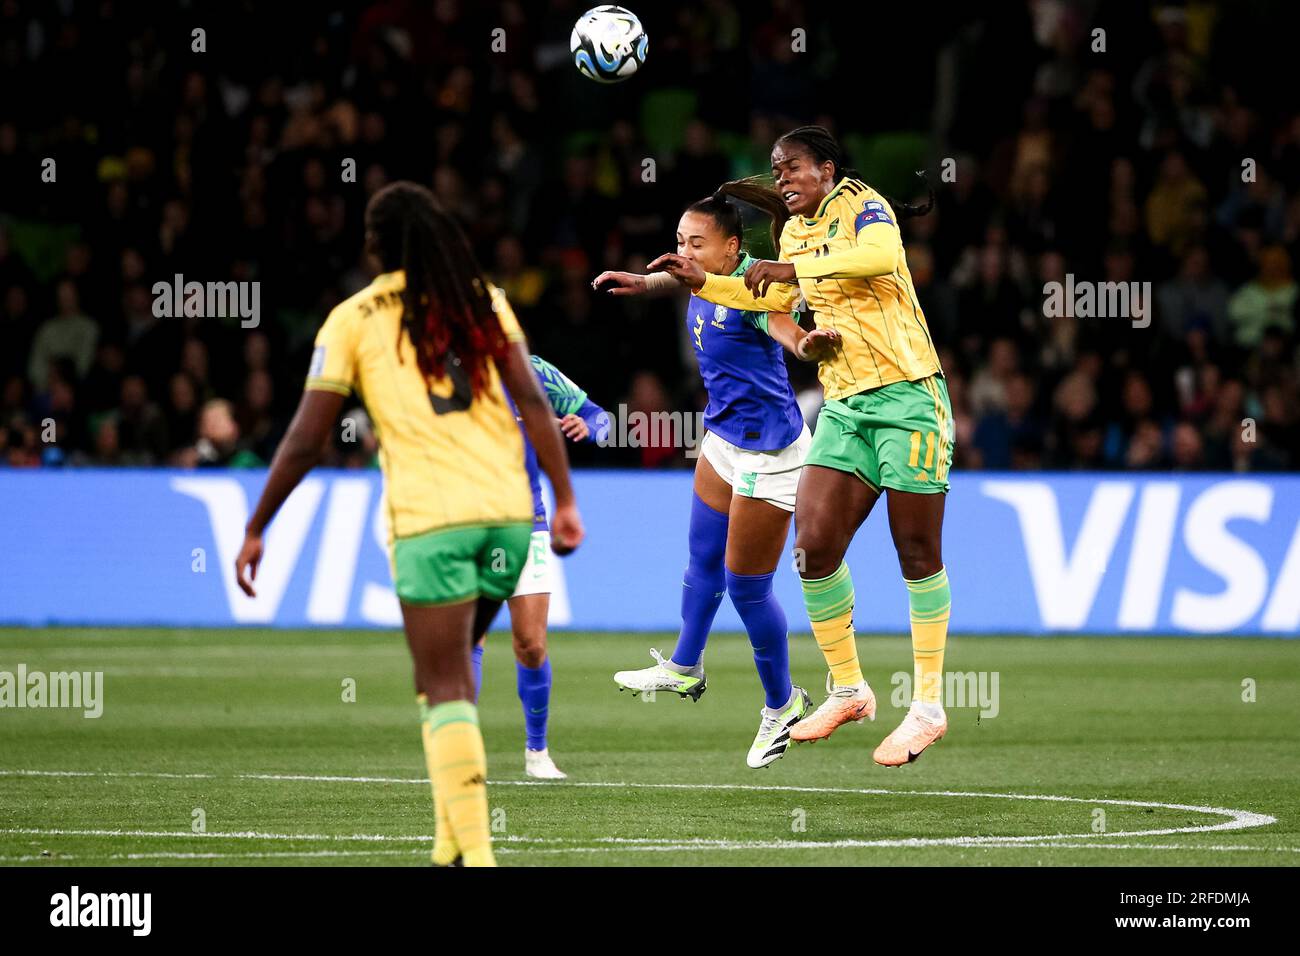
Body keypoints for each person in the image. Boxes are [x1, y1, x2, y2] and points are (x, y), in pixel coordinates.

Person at [233, 181, 584, 866]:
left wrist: (258, 524)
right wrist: (566, 499)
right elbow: (536, 405)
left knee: (444, 687)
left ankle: (476, 856)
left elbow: (307, 439)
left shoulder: (353, 318)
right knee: (452, 673)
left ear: (372, 245)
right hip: (512, 521)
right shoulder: (485, 301)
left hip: (433, 522)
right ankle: (447, 847)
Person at [648, 126, 954, 767]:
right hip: (844, 405)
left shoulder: (864, 206)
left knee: (917, 549)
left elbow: (875, 256)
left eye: (792, 169)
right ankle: (850, 689)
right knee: (812, 550)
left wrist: (796, 266)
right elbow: (769, 297)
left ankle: (927, 706)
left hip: (907, 397)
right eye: (775, 171)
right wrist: (693, 279)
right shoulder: (792, 233)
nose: (781, 180)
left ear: (827, 169)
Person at [594, 187, 839, 769]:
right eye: (680, 242)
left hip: (770, 454)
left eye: (695, 244)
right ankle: (684, 666)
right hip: (723, 440)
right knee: (701, 562)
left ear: (733, 247)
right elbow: (686, 281)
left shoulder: (760, 286)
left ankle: (783, 704)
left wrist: (806, 343)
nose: (684, 253)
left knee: (746, 585)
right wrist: (643, 280)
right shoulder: (706, 274)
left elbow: (782, 326)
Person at [473, 353, 608, 780]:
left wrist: (589, 428)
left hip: (524, 523)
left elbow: (600, 417)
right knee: (467, 641)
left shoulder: (530, 369)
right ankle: (459, 752)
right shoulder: (440, 369)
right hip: (462, 520)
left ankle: (537, 751)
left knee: (530, 644)